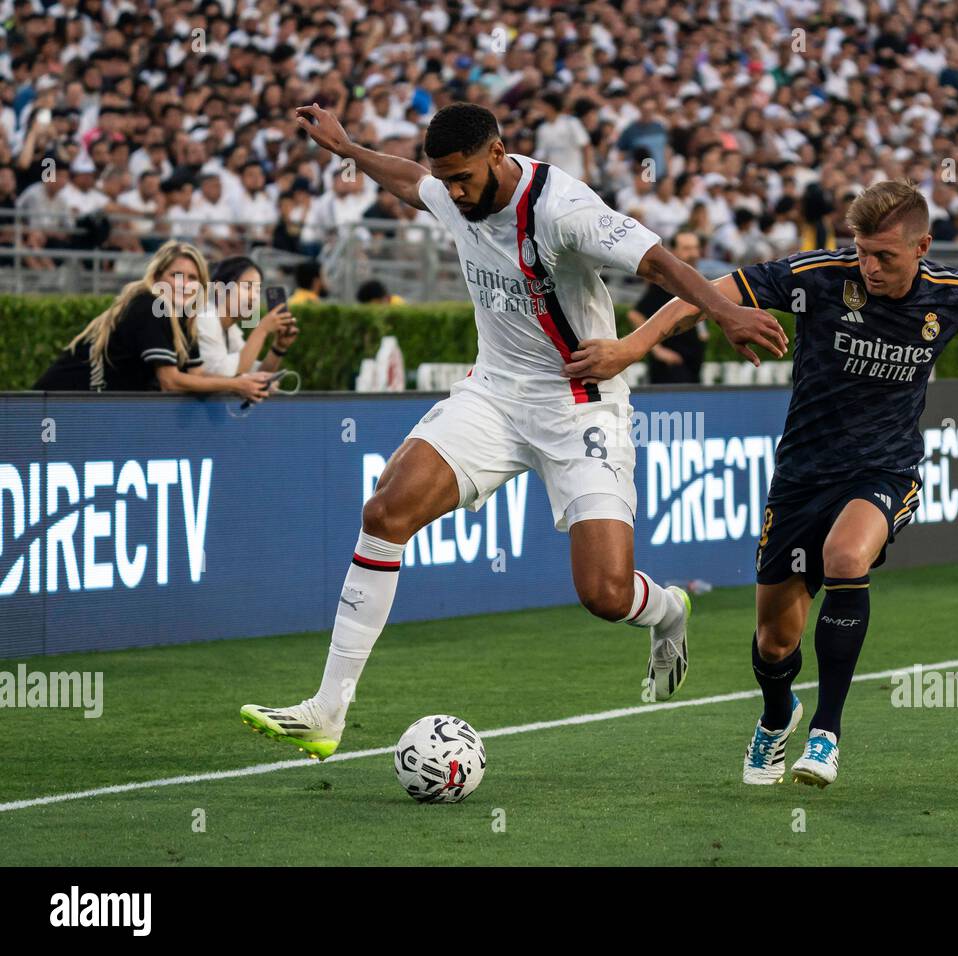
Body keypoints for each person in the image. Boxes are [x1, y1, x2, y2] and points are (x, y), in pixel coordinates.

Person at [563, 179, 958, 789]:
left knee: (844, 556)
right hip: (802, 475)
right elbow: (702, 294)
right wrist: (627, 348)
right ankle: (778, 717)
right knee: (775, 641)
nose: (868, 267)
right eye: (861, 251)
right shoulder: (817, 277)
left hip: (884, 469)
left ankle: (827, 733)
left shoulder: (955, 292)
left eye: (884, 255)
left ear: (921, 247)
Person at [239, 101, 787, 760]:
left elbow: (658, 263)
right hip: (494, 396)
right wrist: (350, 149)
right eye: (449, 180)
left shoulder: (561, 208)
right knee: (384, 511)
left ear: (497, 154)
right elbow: (411, 182)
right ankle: (327, 712)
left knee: (605, 594)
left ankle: (666, 609)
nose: (456, 192)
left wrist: (724, 313)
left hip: (581, 403)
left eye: (464, 177)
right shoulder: (449, 191)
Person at [33, 239, 276, 402]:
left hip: (91, 409)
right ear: (158, 277)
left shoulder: (184, 316)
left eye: (192, 278)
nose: (184, 284)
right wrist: (235, 385)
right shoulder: (149, 305)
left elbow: (199, 376)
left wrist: (245, 382)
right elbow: (170, 382)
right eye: (176, 275)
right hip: (57, 402)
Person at [626, 230, 707, 383]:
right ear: (673, 252)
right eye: (687, 248)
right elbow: (635, 314)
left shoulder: (694, 281)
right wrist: (658, 351)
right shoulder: (667, 283)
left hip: (692, 367)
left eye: (696, 248)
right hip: (670, 370)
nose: (694, 253)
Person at [198, 256, 299, 377]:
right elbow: (227, 374)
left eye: (257, 290)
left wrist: (279, 347)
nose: (254, 297)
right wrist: (262, 329)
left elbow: (253, 372)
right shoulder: (205, 319)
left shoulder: (231, 329)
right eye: (247, 287)